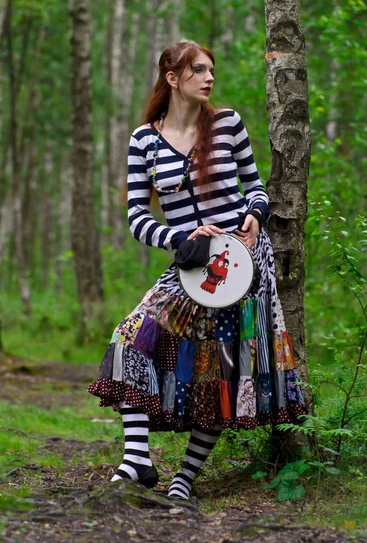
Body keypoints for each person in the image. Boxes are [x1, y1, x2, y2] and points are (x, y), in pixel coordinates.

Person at [88, 41, 306, 499]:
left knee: (219, 374)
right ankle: (136, 459)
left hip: (244, 265)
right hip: (190, 267)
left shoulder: (227, 124)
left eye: (211, 70)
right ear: (172, 78)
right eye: (198, 70)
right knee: (129, 339)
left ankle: (184, 479)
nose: (209, 78)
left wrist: (255, 213)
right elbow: (136, 218)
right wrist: (178, 240)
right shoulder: (143, 140)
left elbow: (256, 187)